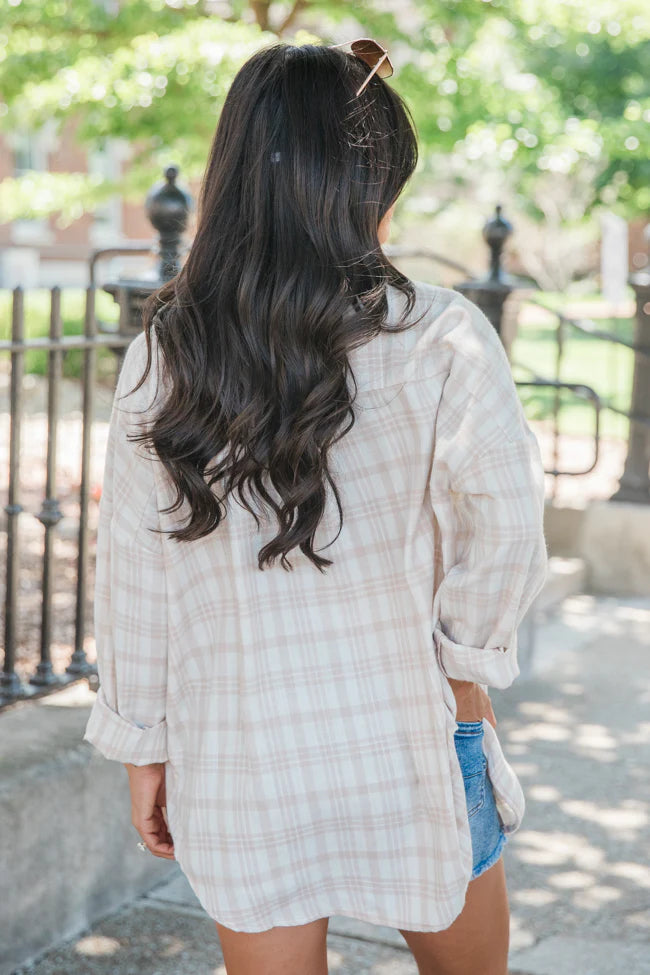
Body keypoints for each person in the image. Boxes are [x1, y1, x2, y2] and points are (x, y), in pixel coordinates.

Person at [82, 38, 548, 975]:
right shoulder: (443, 335)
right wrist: (464, 666)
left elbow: (134, 574)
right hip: (415, 725)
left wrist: (143, 745)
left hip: (240, 743)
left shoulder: (166, 354)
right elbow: (507, 524)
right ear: (365, 187)